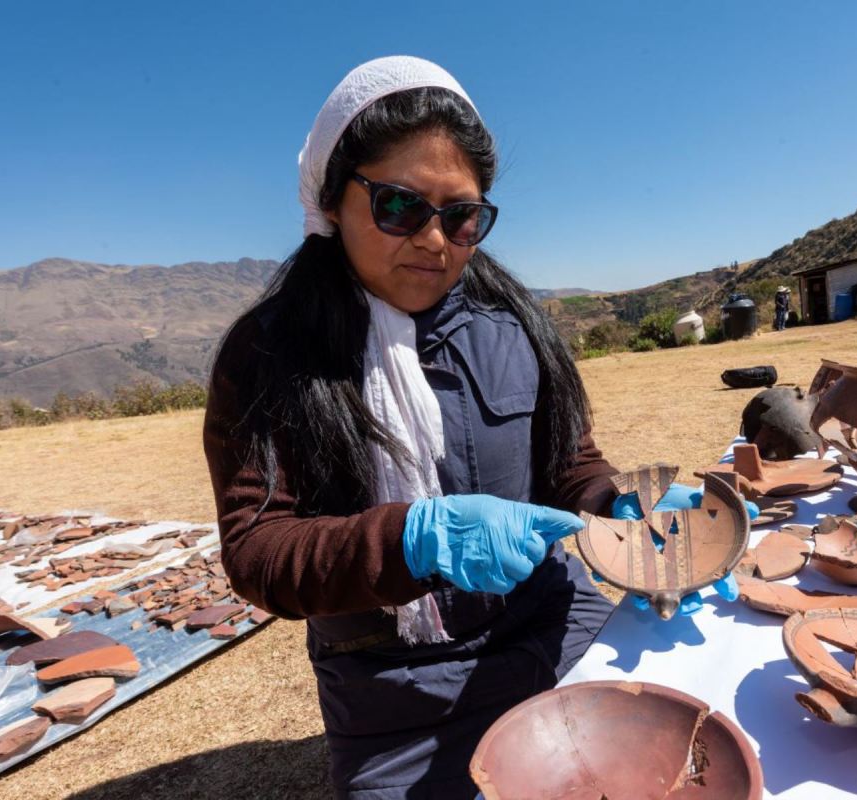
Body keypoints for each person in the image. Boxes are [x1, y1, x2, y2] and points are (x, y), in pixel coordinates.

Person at [204, 56, 640, 798]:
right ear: (333, 198)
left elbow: (571, 461)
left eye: (462, 215)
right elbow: (257, 553)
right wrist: (414, 540)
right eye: (401, 207)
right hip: (392, 690)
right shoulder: (271, 352)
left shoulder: (514, 327)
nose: (437, 241)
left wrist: (612, 504)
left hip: (556, 623)